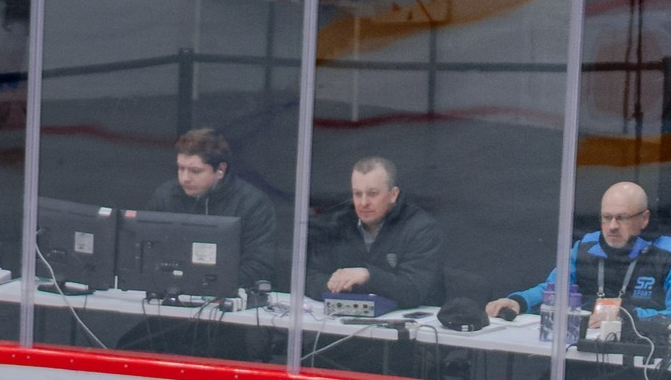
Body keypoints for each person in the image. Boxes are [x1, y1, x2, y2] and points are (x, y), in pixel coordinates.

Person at [486, 180, 671, 332]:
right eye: (606, 218)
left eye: (622, 218)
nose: (613, 226)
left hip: (645, 360)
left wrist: (627, 316)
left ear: (644, 219)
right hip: (583, 353)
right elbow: (554, 290)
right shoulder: (585, 248)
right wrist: (518, 301)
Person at [140, 126, 281, 297]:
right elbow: (145, 251)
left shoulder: (252, 203)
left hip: (228, 299)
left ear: (220, 170)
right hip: (170, 294)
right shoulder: (166, 196)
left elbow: (259, 264)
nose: (185, 178)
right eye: (180, 168)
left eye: (195, 171)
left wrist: (208, 285)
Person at [312, 155, 445, 308]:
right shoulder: (339, 223)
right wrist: (332, 284)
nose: (363, 203)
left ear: (393, 195)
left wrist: (368, 276)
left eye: (372, 193)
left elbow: (414, 291)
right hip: (342, 320)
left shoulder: (421, 228)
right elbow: (308, 276)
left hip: (409, 321)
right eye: (357, 194)